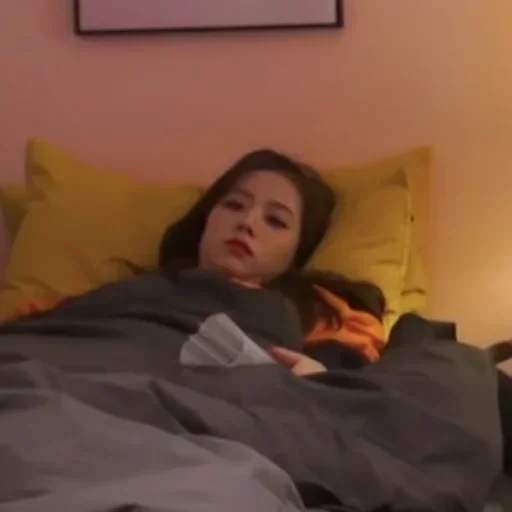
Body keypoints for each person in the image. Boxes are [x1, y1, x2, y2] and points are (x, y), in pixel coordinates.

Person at [157, 149, 386, 376]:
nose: (247, 222)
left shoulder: (322, 319)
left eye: (275, 220)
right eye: (235, 205)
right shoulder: (147, 290)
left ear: (298, 250)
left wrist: (319, 378)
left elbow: (355, 385)